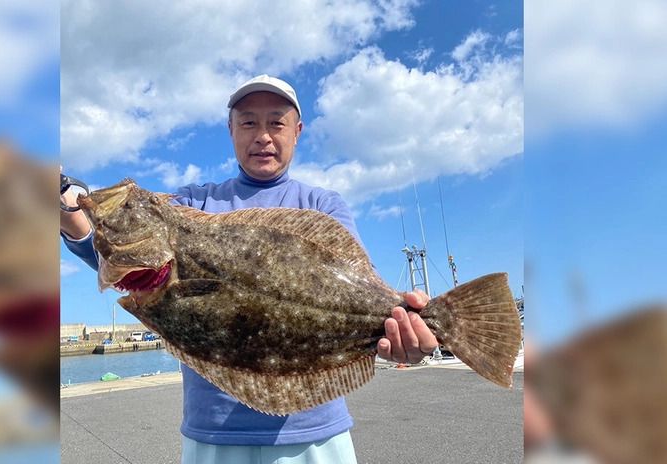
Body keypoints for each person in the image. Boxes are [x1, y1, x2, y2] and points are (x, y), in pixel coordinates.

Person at [61, 74, 439, 463]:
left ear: (297, 131)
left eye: (276, 122)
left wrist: (405, 337)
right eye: (248, 122)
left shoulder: (322, 205)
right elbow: (120, 258)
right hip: (213, 436)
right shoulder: (192, 203)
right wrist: (65, 204)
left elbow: (366, 295)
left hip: (315, 436)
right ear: (230, 130)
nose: (262, 135)